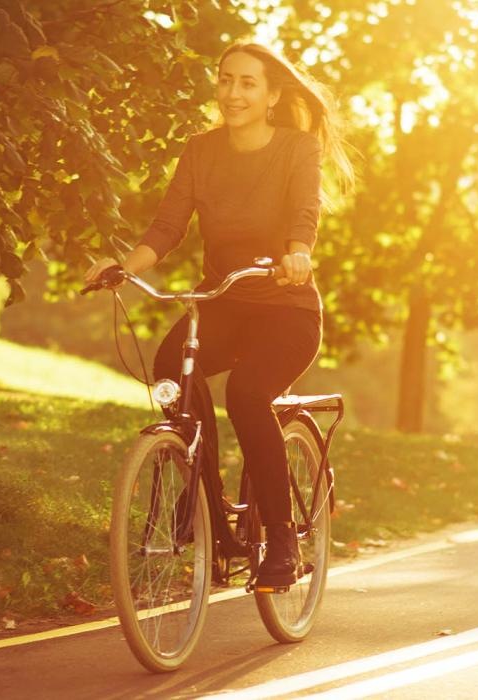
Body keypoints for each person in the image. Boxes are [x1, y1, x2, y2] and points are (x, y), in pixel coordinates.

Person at [86, 42, 352, 588]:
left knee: (249, 394)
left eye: (248, 83)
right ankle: (213, 514)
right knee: (169, 369)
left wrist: (298, 251)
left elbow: (304, 210)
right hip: (224, 302)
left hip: (286, 309)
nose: (233, 93)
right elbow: (167, 227)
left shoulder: (296, 149)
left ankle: (280, 543)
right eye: (226, 80)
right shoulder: (200, 151)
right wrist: (124, 266)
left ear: (273, 94)